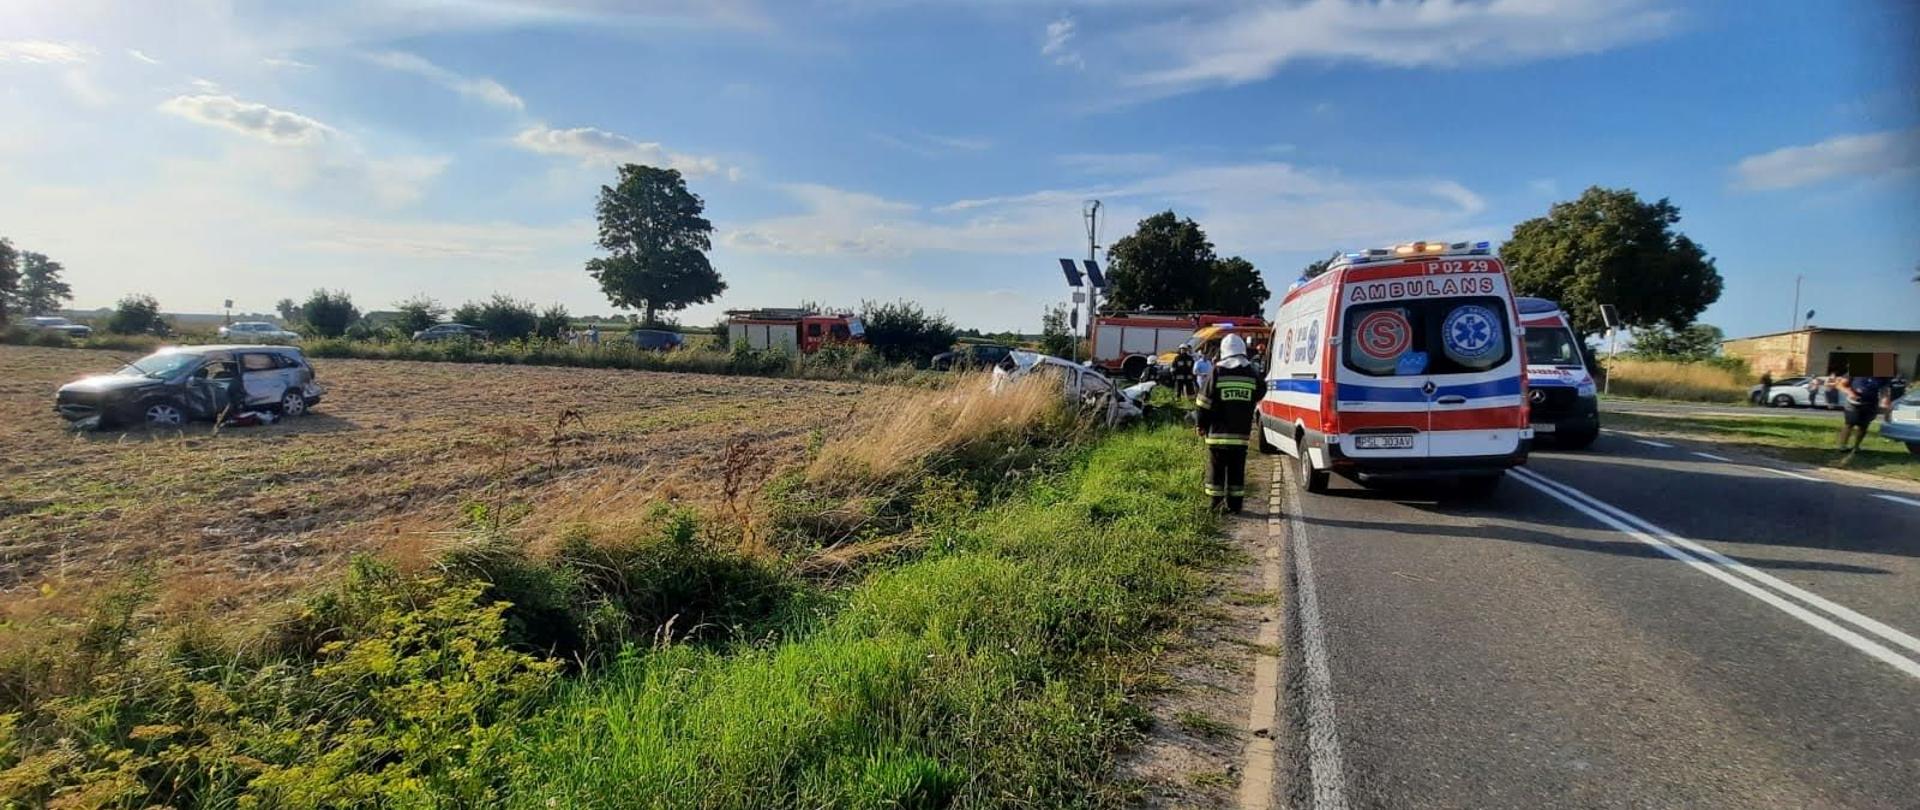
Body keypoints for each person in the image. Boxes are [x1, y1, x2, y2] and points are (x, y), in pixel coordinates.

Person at [1194, 334, 1261, 514]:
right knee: (1237, 469)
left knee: (1216, 469)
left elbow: (1203, 402)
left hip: (1217, 434)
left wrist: (1201, 424)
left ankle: (1215, 504)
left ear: (1224, 351)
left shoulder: (1217, 371)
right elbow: (1261, 390)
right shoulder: (1251, 372)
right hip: (1241, 435)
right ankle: (1235, 505)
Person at [1835, 374, 1890, 452]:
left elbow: (1884, 390)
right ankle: (1842, 446)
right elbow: (1840, 385)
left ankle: (1856, 447)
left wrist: (1884, 401)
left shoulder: (1883, 376)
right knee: (1850, 423)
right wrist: (1849, 392)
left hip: (1871, 402)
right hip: (1853, 402)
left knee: (1864, 425)